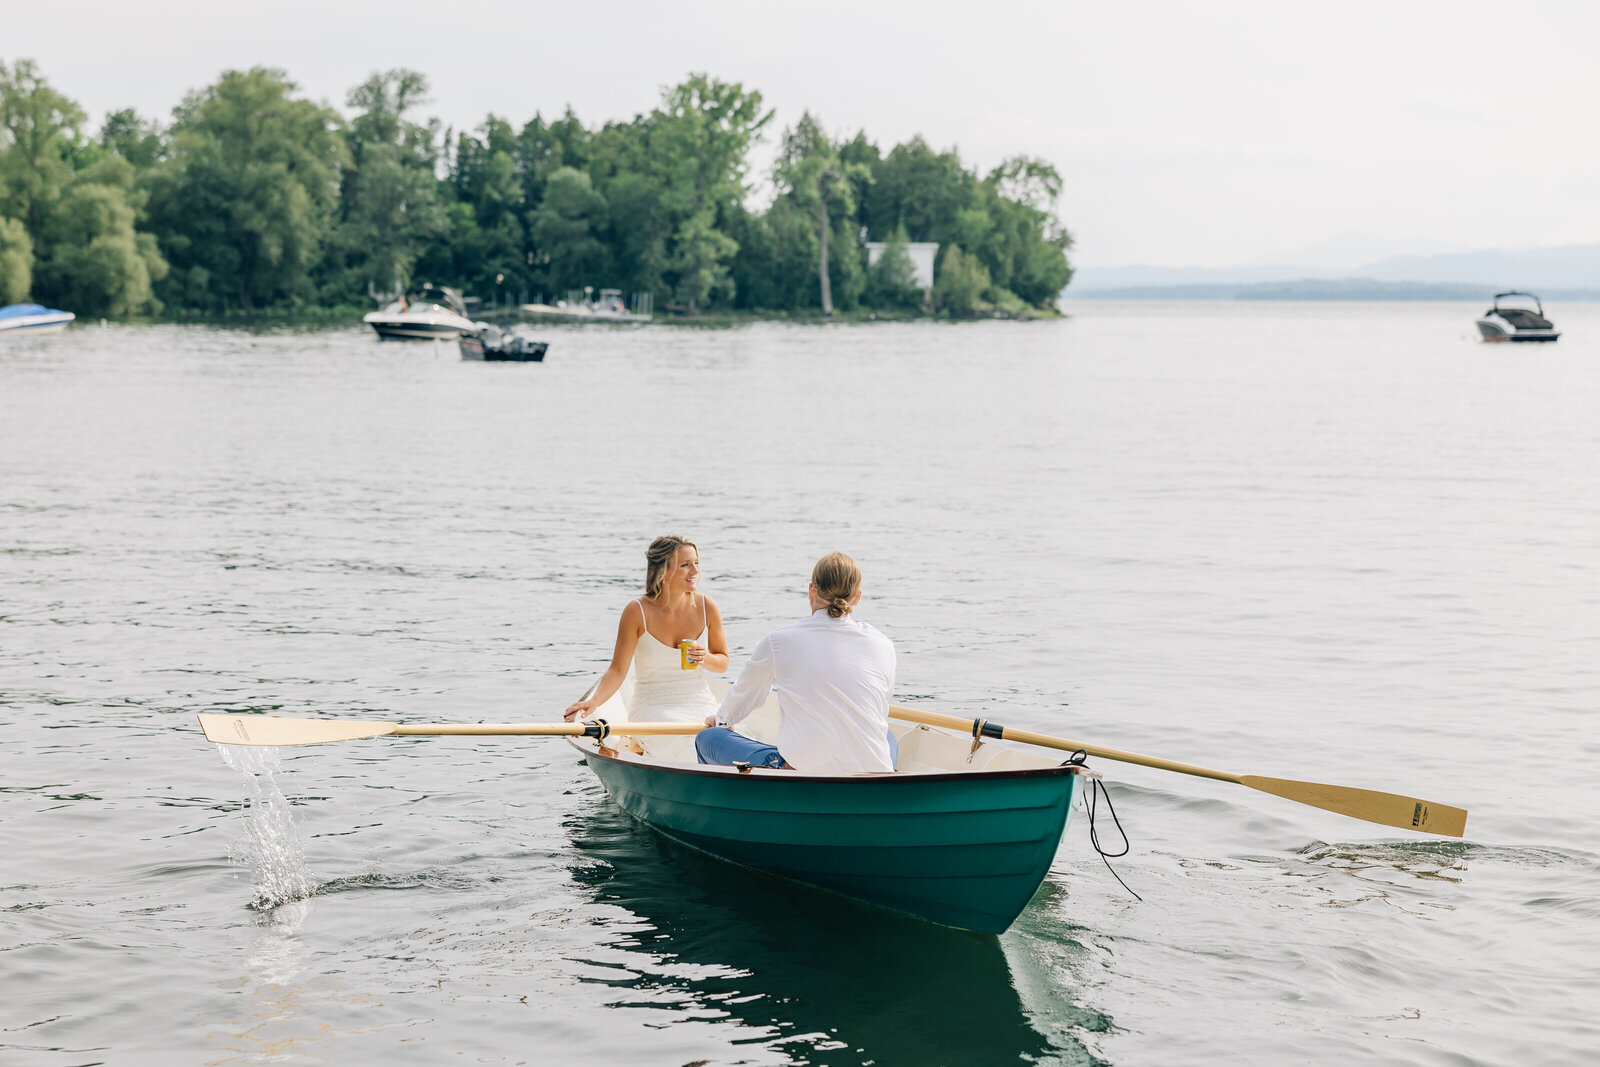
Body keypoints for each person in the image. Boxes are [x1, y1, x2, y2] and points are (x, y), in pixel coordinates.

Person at [697, 552, 897, 775]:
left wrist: (723, 720)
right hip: (875, 773)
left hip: (801, 771)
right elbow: (881, 705)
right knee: (888, 736)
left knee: (708, 738)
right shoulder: (883, 644)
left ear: (812, 590)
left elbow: (746, 695)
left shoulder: (779, 641)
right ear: (857, 597)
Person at [564, 536, 729, 756]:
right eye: (685, 565)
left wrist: (705, 657)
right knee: (687, 744)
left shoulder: (707, 606)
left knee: (726, 739)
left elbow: (722, 663)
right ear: (663, 572)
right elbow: (617, 670)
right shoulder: (637, 611)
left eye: (696, 563)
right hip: (654, 706)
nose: (694, 571)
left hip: (699, 701)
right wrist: (593, 702)